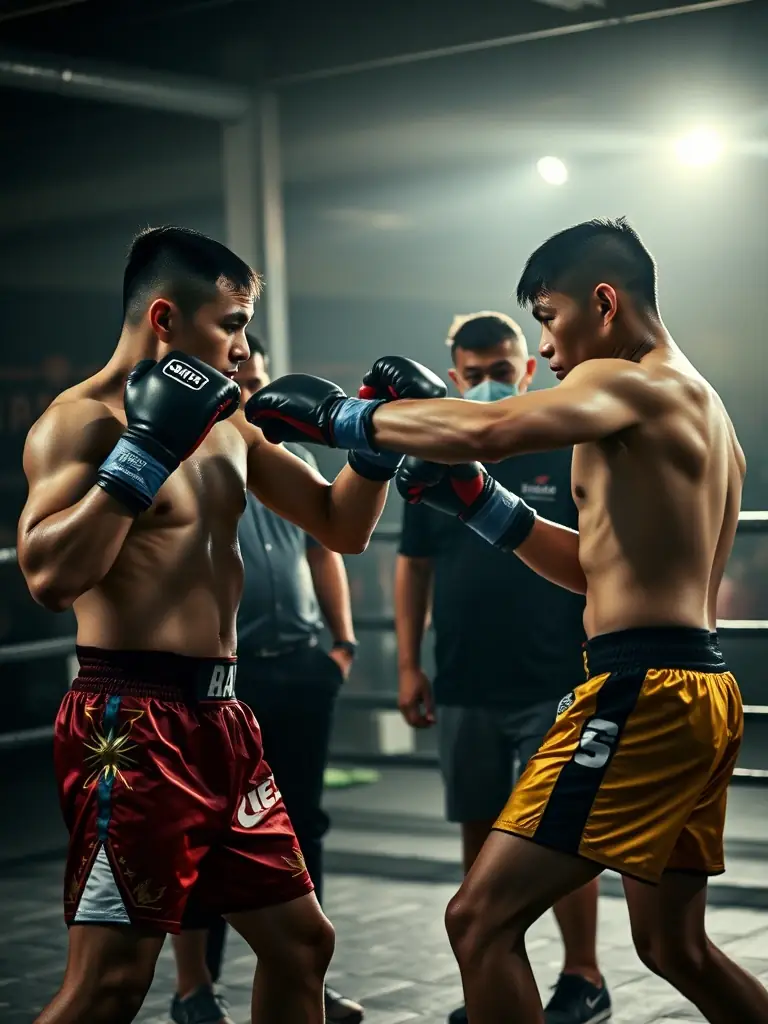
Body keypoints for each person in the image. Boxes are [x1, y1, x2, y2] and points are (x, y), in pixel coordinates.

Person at [245, 217, 768, 1024]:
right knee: (675, 948)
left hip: (644, 691)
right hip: (694, 684)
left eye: (551, 321)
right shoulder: (703, 409)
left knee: (478, 919)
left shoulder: (634, 384)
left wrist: (343, 420)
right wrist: (485, 505)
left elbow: (488, 426)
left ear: (604, 301)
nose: (549, 353)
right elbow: (596, 570)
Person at [16, 225, 443, 1024]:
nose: (245, 347)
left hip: (223, 719)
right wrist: (143, 453)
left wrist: (377, 447)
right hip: (131, 722)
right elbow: (47, 576)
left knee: (300, 945)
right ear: (166, 320)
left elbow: (336, 524)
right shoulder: (80, 423)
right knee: (108, 984)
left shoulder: (228, 424)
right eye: (233, 323)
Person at [395, 311, 610, 1024]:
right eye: (474, 372)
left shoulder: (561, 443)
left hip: (555, 674)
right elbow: (412, 566)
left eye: (502, 367)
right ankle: (490, 975)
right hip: (463, 673)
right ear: (454, 375)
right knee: (479, 829)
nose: (489, 382)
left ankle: (582, 976)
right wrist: (407, 664)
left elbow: (597, 555)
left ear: (525, 368)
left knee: (561, 836)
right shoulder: (440, 454)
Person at [170, 336, 364, 1024]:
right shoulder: (189, 459)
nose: (247, 391)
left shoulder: (292, 460)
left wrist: (338, 645)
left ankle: (302, 974)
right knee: (206, 830)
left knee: (301, 825)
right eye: (236, 379)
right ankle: (196, 987)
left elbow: (327, 547)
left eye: (256, 380)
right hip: (223, 677)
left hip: (299, 668)